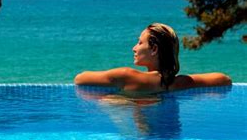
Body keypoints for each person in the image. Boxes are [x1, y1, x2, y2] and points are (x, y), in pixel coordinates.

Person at [74, 22, 232, 93]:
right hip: (171, 136)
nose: (134, 48)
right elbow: (224, 79)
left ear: (154, 49)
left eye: (139, 42)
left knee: (107, 100)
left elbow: (80, 79)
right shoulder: (181, 82)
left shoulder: (127, 76)